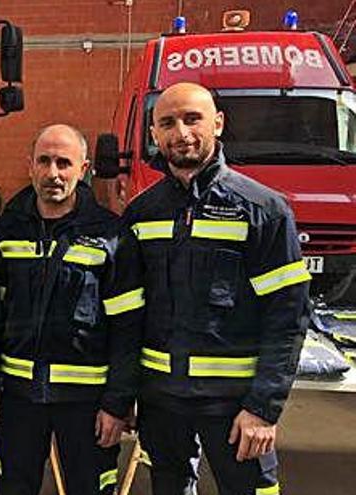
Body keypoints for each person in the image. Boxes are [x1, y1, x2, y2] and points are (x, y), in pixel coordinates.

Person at [117, 82, 310, 495]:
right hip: (162, 403)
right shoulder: (141, 213)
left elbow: (288, 317)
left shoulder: (262, 210)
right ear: (153, 134)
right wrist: (124, 397)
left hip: (236, 405)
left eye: (192, 119)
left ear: (218, 124)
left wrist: (263, 408)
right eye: (167, 123)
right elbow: (128, 318)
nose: (181, 133)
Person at [0, 124, 139, 495]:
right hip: (19, 399)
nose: (53, 173)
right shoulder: (7, 230)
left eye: (64, 163)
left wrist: (117, 404)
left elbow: (129, 329)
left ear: (83, 168)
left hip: (86, 404)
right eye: (45, 161)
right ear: (30, 165)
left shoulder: (111, 236)